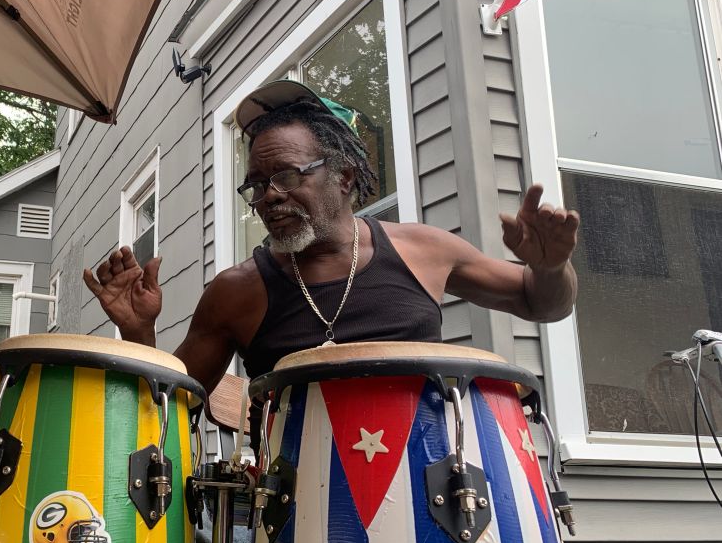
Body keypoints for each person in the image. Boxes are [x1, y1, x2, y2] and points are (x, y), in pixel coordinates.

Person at [85, 77, 579, 394]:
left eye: (288, 175)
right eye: (256, 184)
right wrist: (138, 333)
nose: (268, 196)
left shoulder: (424, 250)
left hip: (428, 497)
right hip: (294, 511)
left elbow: (542, 305)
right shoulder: (235, 292)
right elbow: (173, 406)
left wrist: (549, 267)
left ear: (343, 177)